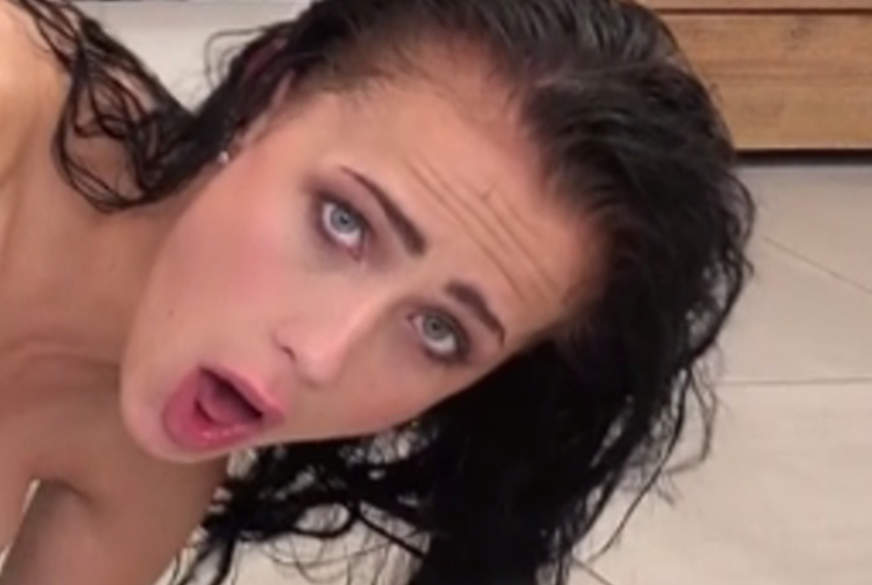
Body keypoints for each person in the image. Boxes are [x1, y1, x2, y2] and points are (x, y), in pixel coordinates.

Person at [0, 0, 755, 583]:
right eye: (344, 221)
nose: (322, 353)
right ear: (266, 95)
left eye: (439, 331)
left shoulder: (157, 472)